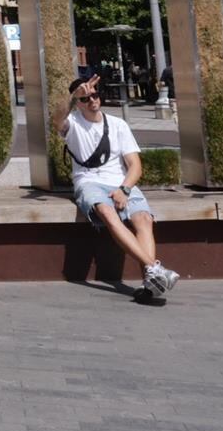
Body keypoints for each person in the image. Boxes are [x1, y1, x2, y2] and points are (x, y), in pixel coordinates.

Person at [62, 75, 179, 300]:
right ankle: (153, 268)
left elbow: (135, 165)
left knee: (143, 218)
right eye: (85, 98)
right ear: (78, 103)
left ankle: (150, 282)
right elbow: (56, 118)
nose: (92, 100)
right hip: (89, 182)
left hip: (121, 182)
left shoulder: (118, 125)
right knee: (107, 212)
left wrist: (124, 189)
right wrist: (72, 97)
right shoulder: (72, 123)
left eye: (95, 95)